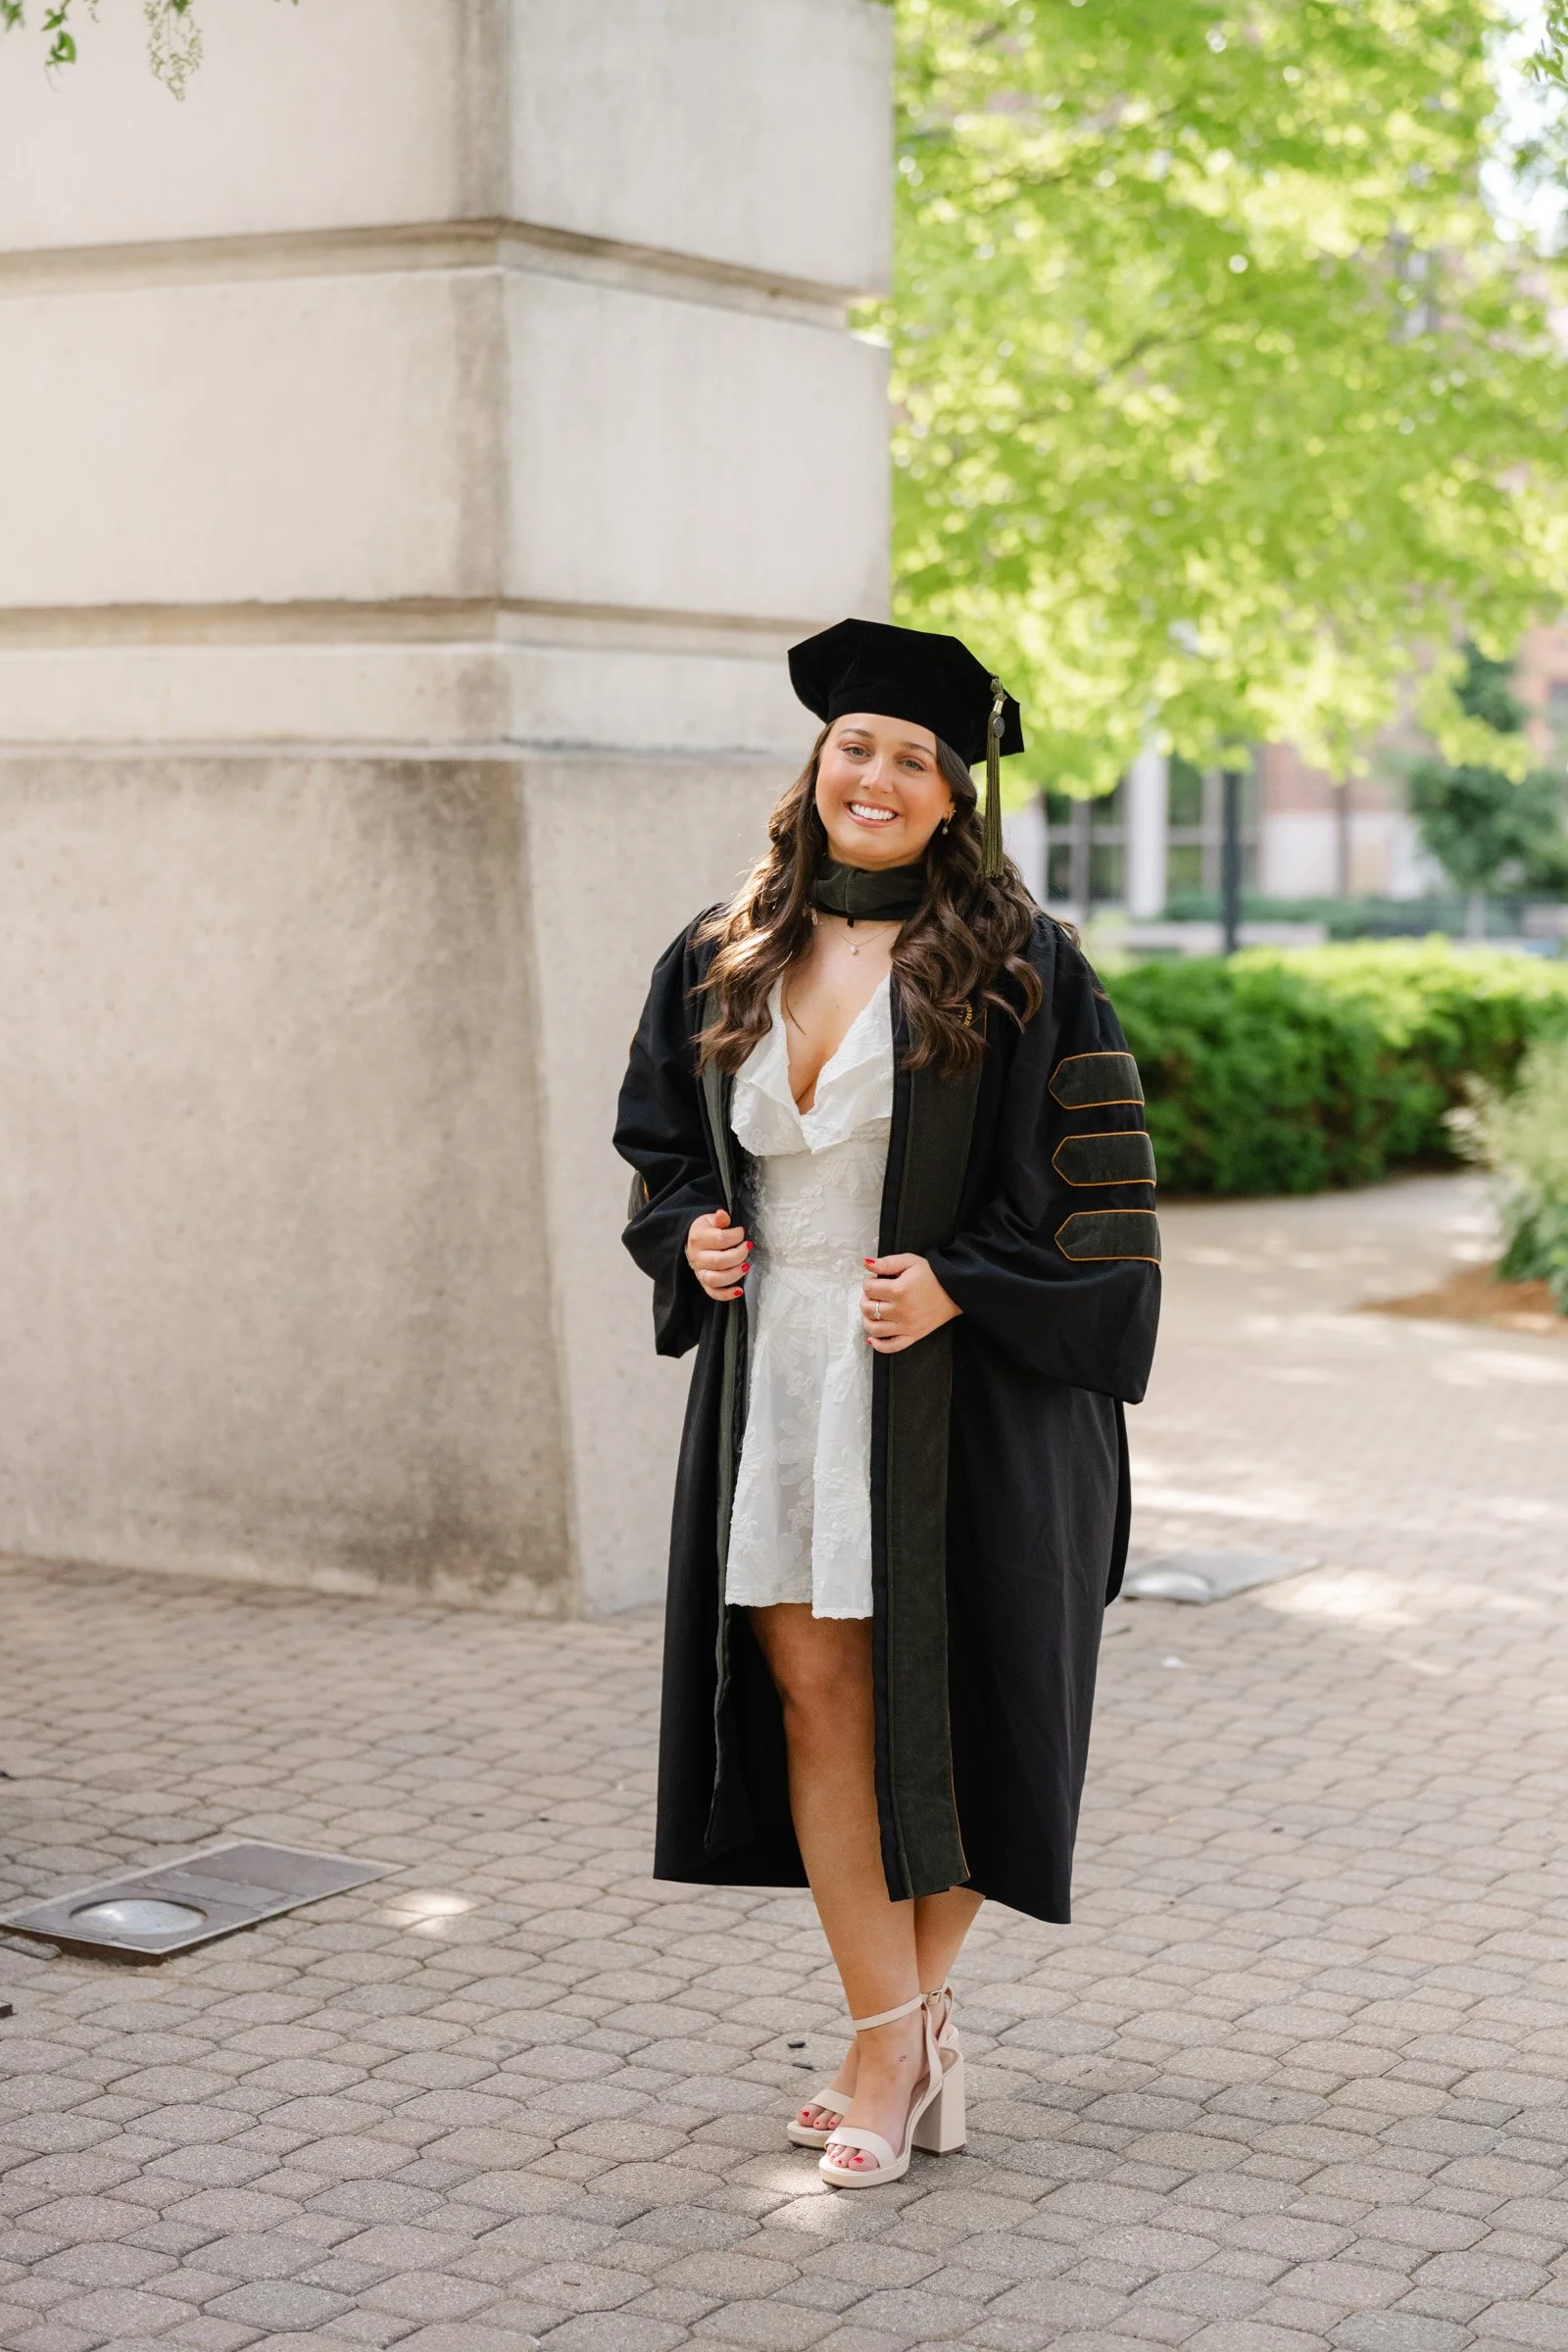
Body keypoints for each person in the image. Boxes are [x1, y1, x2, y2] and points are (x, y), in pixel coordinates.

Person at [615, 618, 1160, 2188]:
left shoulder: (1021, 966)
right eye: (858, 744)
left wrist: (965, 1285)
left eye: (914, 758)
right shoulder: (723, 950)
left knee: (965, 1699)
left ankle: (887, 2049)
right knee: (813, 1693)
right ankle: (900, 2033)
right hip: (781, 1366)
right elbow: (660, 1142)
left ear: (950, 796)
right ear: (817, 765)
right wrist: (689, 1232)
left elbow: (1102, 1207)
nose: (878, 774)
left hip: (958, 1388)